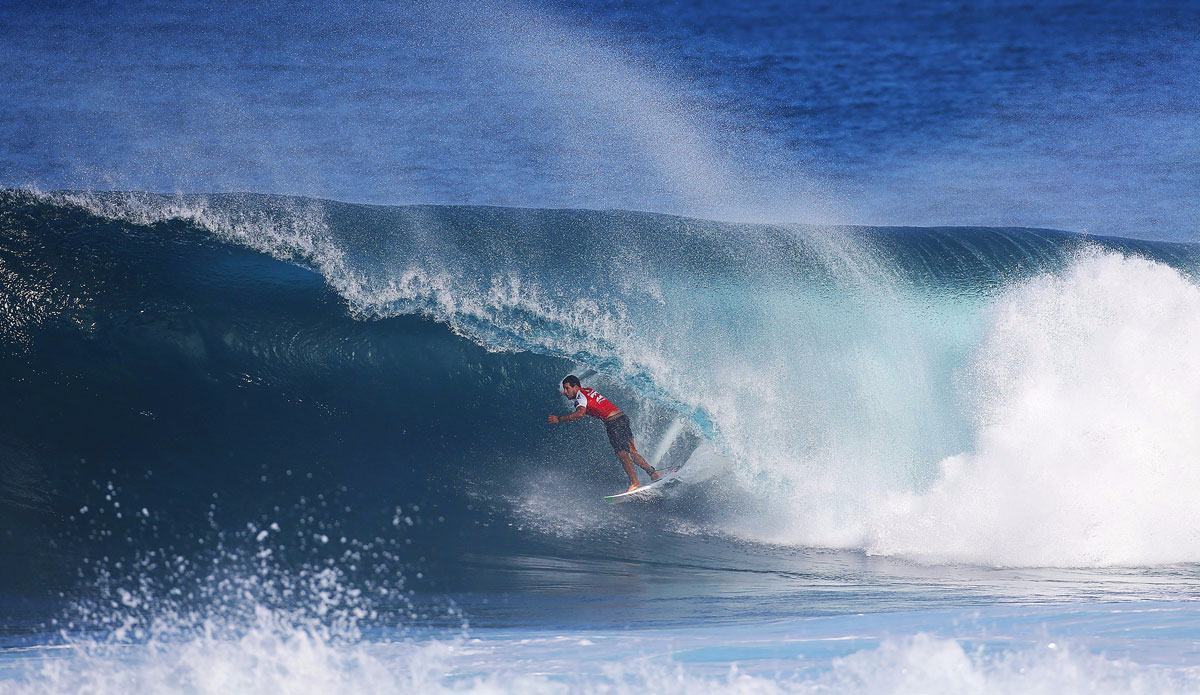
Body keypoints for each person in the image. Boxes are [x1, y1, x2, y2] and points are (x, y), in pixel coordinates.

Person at [548, 375, 662, 493]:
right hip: (622, 417)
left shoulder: (580, 398)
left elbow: (580, 413)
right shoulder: (588, 390)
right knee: (632, 452)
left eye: (567, 389)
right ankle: (653, 474)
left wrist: (559, 419)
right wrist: (565, 391)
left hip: (613, 422)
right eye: (564, 389)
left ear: (575, 387)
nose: (566, 392)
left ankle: (635, 483)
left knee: (622, 454)